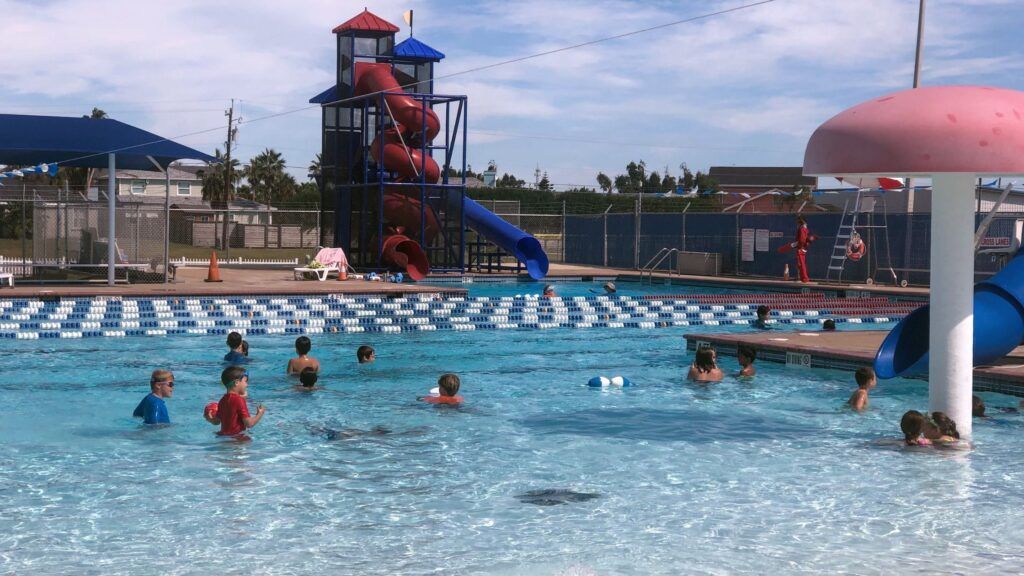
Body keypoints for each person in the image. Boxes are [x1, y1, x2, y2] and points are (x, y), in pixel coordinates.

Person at [206, 366, 266, 436]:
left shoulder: (222, 400)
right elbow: (249, 424)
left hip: (223, 437)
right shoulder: (239, 400)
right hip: (237, 439)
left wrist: (210, 419)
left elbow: (217, 422)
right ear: (237, 382)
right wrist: (260, 413)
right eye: (245, 381)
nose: (247, 384)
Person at [791, 215, 813, 283]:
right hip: (802, 248)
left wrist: (798, 246)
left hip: (801, 248)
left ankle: (804, 278)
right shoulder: (804, 228)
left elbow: (802, 240)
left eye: (797, 221)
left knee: (801, 264)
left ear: (800, 222)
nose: (796, 223)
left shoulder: (802, 229)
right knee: (801, 264)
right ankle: (802, 278)